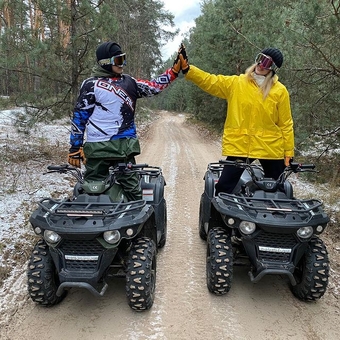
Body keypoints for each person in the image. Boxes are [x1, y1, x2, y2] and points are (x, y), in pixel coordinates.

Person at [68, 41, 181, 201]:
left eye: (124, 59)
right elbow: (79, 117)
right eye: (119, 60)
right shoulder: (90, 85)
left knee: (133, 192)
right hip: (99, 150)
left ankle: (134, 223)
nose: (123, 64)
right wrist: (75, 146)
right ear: (106, 63)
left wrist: (174, 71)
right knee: (92, 191)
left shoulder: (130, 82)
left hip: (122, 150)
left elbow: (153, 86)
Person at [177, 44, 295, 194]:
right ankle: (214, 218)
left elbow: (286, 124)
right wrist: (188, 70)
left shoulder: (280, 91)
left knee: (278, 191)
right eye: (260, 59)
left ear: (273, 69)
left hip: (270, 149)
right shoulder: (237, 83)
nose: (261, 64)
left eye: (267, 63)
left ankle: (271, 216)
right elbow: (211, 81)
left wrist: (288, 153)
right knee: (222, 189)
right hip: (241, 146)